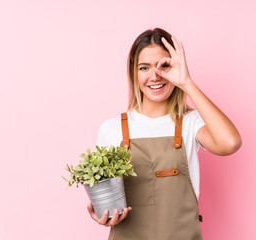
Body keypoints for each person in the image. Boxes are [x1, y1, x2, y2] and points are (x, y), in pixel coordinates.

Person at [87, 28, 242, 239]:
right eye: (144, 68)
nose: (154, 76)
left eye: (164, 66)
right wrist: (103, 213)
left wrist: (187, 82)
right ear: (134, 73)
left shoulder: (190, 122)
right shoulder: (111, 129)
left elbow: (230, 143)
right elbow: (105, 198)